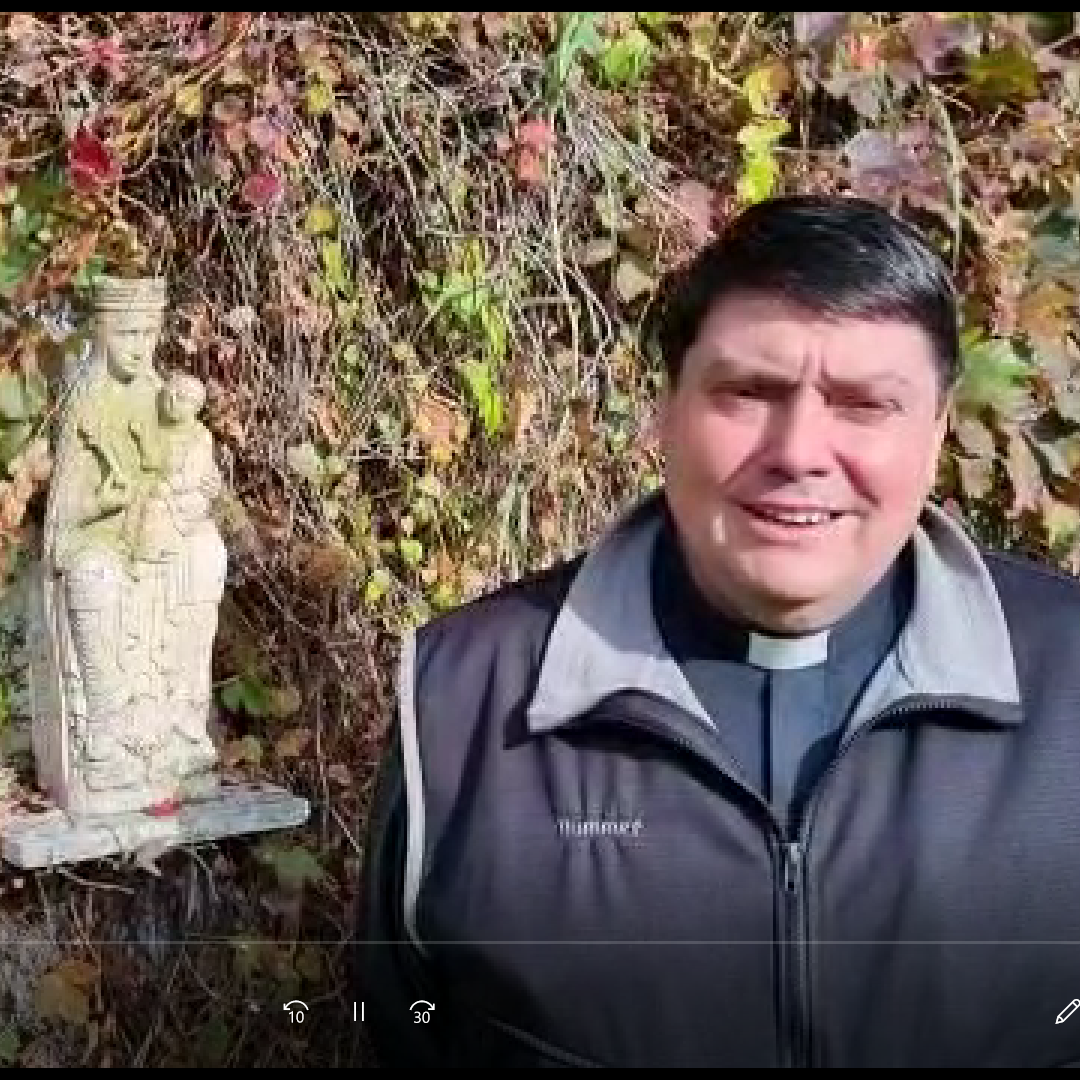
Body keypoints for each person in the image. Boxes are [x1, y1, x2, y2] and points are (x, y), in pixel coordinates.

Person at [355, 195, 1080, 1067]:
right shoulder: (463, 698)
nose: (800, 450)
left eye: (863, 405)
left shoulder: (1067, 683)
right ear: (667, 409)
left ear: (935, 434)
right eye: (750, 391)